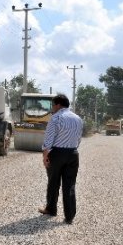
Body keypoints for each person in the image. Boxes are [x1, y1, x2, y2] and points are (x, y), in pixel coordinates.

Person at [39, 94, 83, 224]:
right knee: (70, 185)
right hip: (73, 153)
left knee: (53, 182)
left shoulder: (56, 118)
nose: (52, 108)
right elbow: (79, 138)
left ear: (58, 105)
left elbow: (48, 140)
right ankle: (69, 216)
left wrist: (45, 156)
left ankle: (51, 209)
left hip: (57, 153)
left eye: (53, 105)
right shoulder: (78, 118)